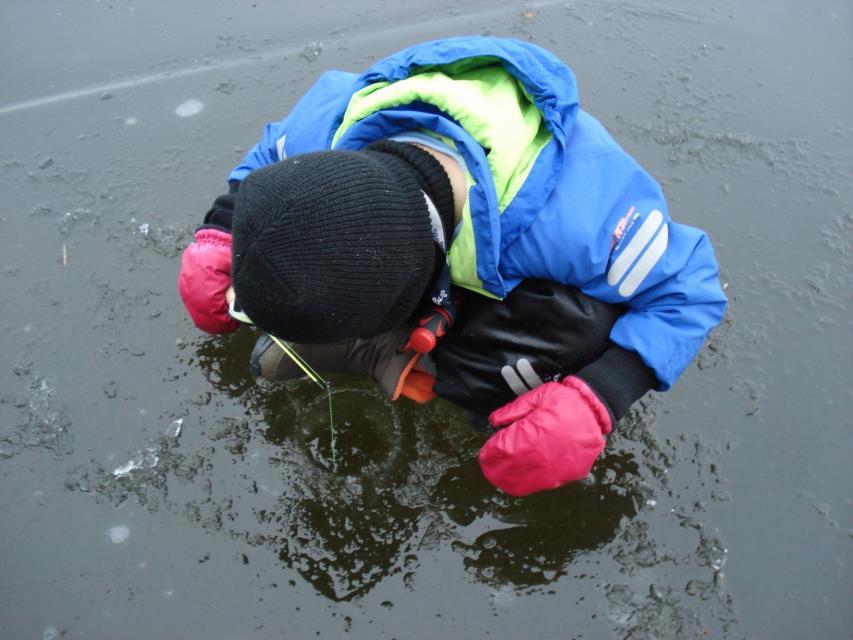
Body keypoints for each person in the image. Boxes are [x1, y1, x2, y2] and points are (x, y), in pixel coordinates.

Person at [178, 36, 727, 497]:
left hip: (515, 257)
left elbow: (690, 289)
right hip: (425, 248)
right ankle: (373, 348)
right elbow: (263, 165)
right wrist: (223, 233)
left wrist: (601, 395)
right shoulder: (323, 127)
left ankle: (428, 364)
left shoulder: (585, 219)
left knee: (578, 328)